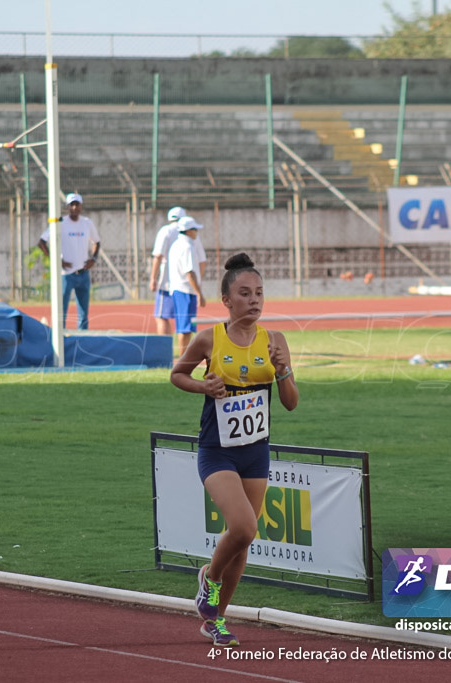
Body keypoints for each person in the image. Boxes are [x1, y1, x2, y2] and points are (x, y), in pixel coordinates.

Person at [170, 253, 299, 648]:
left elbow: (291, 402)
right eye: (245, 293)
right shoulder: (211, 338)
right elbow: (177, 374)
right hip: (217, 451)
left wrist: (283, 371)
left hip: (255, 451)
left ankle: (216, 618)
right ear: (227, 299)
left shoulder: (274, 341)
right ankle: (209, 578)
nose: (254, 300)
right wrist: (203, 387)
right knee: (244, 527)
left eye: (259, 293)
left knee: (242, 541)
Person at [37, 192, 101, 330]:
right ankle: (61, 339)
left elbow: (97, 242)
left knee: (83, 313)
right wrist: (56, 261)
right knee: (61, 311)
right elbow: (42, 242)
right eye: (71, 204)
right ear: (67, 207)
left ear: (81, 206)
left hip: (83, 273)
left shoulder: (87, 223)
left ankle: (82, 340)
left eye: (77, 204)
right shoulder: (60, 223)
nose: (74, 207)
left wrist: (93, 259)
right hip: (66, 275)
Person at [167, 216, 207, 357]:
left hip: (179, 289)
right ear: (189, 231)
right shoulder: (187, 247)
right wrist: (199, 293)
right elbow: (189, 272)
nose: (196, 232)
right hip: (185, 290)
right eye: (195, 229)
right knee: (186, 327)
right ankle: (183, 360)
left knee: (183, 326)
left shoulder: (176, 245)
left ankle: (182, 358)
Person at [150, 206, 187, 336]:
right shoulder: (189, 232)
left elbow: (158, 256)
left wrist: (153, 278)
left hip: (167, 282)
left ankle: (165, 349)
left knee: (161, 317)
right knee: (184, 320)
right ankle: (186, 351)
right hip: (185, 283)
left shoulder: (166, 231)